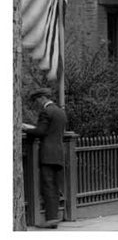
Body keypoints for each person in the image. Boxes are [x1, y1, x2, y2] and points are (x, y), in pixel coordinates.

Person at [22, 88, 67, 229]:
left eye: (37, 101)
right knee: (54, 186)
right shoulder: (60, 112)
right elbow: (51, 130)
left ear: (42, 98)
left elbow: (41, 132)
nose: (37, 104)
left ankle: (51, 219)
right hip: (58, 153)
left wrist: (24, 128)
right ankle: (53, 218)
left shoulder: (46, 112)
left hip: (47, 154)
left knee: (47, 186)